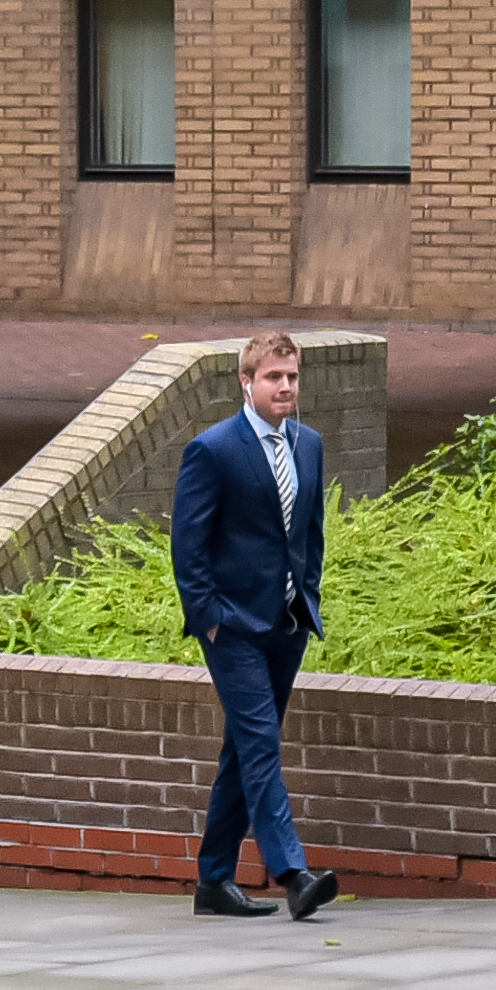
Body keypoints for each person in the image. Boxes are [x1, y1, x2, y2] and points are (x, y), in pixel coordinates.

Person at [172, 330, 338, 921]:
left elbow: (311, 532)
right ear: (247, 382)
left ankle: (214, 881)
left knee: (243, 752)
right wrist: (211, 620)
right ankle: (294, 874)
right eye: (273, 377)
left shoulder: (310, 444)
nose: (285, 387)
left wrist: (307, 599)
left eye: (292, 377)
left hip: (287, 624)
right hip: (233, 627)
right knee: (261, 741)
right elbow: (187, 549)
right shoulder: (214, 449)